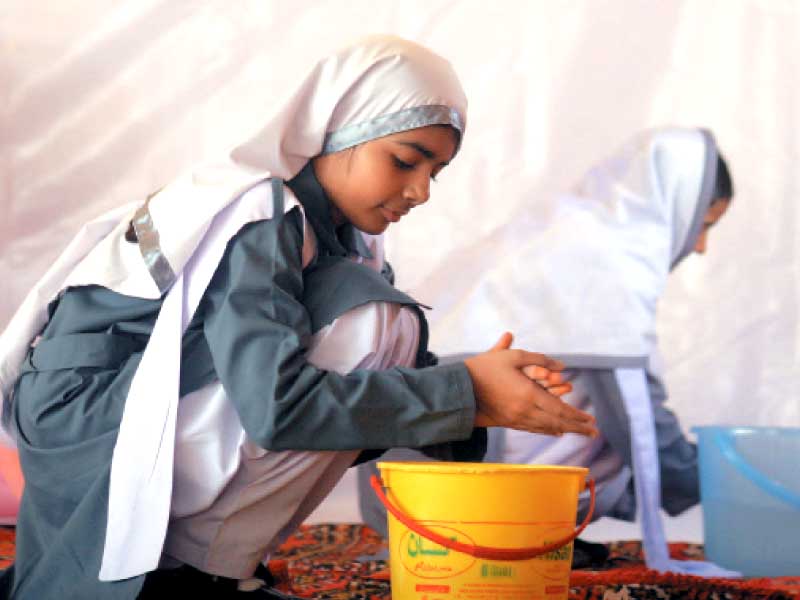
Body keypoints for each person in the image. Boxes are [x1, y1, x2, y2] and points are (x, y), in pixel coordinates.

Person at [0, 36, 598, 599]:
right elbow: (277, 407)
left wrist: (484, 399)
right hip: (85, 412)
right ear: (340, 133)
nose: (421, 192)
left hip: (129, 396)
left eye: (434, 172)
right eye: (406, 161)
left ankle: (205, 562)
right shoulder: (261, 212)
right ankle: (189, 570)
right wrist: (466, 393)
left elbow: (386, 397)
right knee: (374, 321)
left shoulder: (334, 233)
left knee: (386, 332)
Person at [357, 126, 737, 576]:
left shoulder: (563, 229)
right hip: (457, 486)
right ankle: (516, 538)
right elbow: (636, 416)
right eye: (703, 226)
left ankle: (492, 536)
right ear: (677, 203)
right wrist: (712, 481)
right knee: (605, 410)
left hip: (402, 481)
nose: (700, 246)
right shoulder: (606, 256)